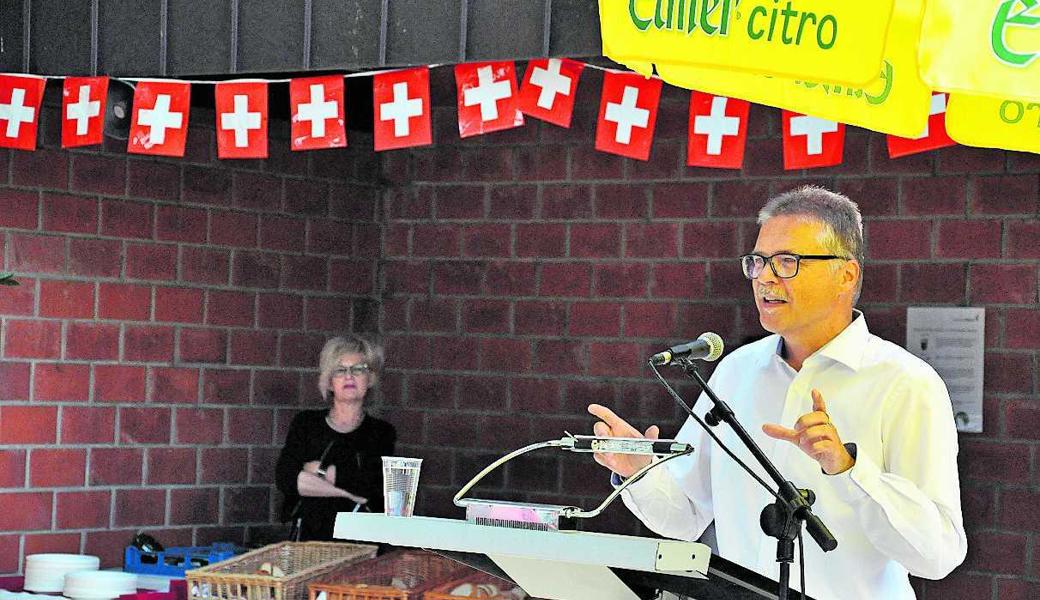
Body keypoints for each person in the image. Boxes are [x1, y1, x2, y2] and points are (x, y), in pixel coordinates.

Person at [589, 186, 966, 599]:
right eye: (758, 262)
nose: (765, 277)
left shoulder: (905, 382)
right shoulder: (736, 370)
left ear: (846, 274)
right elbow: (686, 515)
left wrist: (848, 468)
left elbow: (938, 555)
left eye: (787, 262)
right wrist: (636, 469)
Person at [276, 334, 396, 541]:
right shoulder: (306, 424)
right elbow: (286, 478)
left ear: (370, 379)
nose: (349, 377)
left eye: (358, 369)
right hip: (309, 541)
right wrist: (348, 493)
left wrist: (317, 471)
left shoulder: (381, 432)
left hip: (361, 543)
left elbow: (370, 487)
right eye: (340, 370)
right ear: (329, 382)